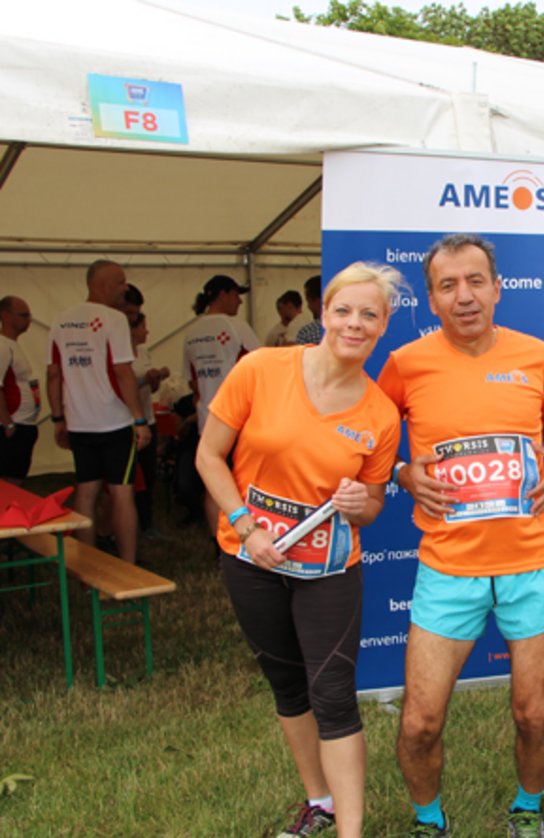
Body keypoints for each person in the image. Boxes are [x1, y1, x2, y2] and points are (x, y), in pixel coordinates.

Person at [377, 233, 544, 838]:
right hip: (448, 568)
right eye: (448, 285)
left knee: (534, 711)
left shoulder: (536, 356)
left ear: (498, 289)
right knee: (419, 721)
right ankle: (428, 821)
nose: (464, 296)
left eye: (475, 282)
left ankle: (527, 810)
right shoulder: (407, 363)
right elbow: (367, 431)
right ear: (432, 299)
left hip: (532, 561)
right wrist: (399, 470)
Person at [195, 262, 403, 838]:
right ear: (324, 314)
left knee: (333, 693)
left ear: (384, 324)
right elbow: (209, 456)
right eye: (343, 311)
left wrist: (361, 499)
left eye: (369, 314)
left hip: (328, 569)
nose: (354, 324)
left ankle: (350, 831)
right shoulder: (261, 368)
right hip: (251, 559)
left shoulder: (380, 414)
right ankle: (320, 802)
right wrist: (245, 524)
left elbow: (373, 507)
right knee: (288, 687)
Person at [46, 260, 152, 565]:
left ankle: (85, 564)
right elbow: (122, 372)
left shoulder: (61, 321)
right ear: (101, 283)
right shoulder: (113, 320)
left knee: (86, 490)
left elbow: (54, 374)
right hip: (115, 422)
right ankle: (128, 564)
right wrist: (139, 419)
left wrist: (58, 419)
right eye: (121, 282)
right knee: (122, 493)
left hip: (80, 423)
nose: (125, 288)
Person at [182, 274, 260, 535]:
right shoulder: (236, 327)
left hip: (209, 417)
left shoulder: (192, 332)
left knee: (213, 482)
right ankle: (243, 538)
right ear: (222, 294)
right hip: (243, 417)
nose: (239, 301)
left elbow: (192, 382)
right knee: (245, 481)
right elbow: (260, 369)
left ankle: (219, 544)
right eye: (236, 294)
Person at [129, 309, 170, 536]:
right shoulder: (122, 355)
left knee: (149, 472)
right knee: (132, 478)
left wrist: (156, 378)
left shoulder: (144, 353)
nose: (146, 331)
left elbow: (151, 389)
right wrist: (145, 378)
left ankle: (146, 521)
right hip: (129, 421)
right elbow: (122, 386)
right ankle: (129, 519)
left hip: (149, 418)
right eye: (143, 327)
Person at [0, 295, 40, 484]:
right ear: (6, 316)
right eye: (24, 315)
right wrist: (7, 423)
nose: (29, 320)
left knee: (16, 480)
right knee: (9, 483)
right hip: (14, 426)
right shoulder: (2, 345)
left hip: (23, 425)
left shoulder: (12, 345)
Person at [296, 276, 325, 345]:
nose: (308, 306)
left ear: (317, 301)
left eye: (308, 300)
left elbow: (300, 355)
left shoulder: (306, 332)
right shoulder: (347, 328)